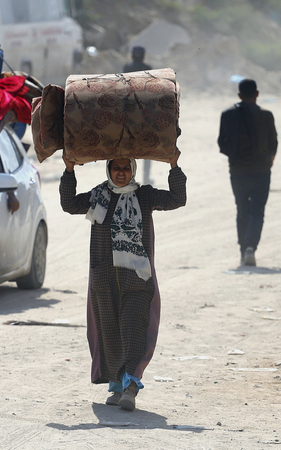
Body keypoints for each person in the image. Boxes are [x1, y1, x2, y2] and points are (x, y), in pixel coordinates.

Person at [59, 149, 186, 411]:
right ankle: (116, 385)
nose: (120, 172)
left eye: (125, 168)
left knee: (133, 331)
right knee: (110, 335)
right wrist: (69, 170)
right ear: (108, 169)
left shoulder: (145, 195)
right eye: (115, 167)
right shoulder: (98, 196)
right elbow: (69, 204)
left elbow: (177, 199)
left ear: (133, 169)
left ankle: (130, 386)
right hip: (104, 279)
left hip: (137, 280)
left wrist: (174, 165)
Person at [217, 79, 278, 266]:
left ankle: (244, 250)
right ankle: (250, 247)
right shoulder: (267, 116)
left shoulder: (227, 115)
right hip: (261, 170)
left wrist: (234, 156)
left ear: (239, 95)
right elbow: (273, 143)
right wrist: (269, 160)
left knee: (242, 209)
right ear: (257, 94)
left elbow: (222, 143)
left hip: (237, 171)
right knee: (257, 210)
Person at [123, 46, 155, 185]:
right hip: (144, 114)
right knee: (147, 149)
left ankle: (129, 178)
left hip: (129, 114)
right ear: (144, 56)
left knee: (129, 150)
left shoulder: (126, 68)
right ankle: (146, 178)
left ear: (131, 56)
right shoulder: (148, 68)